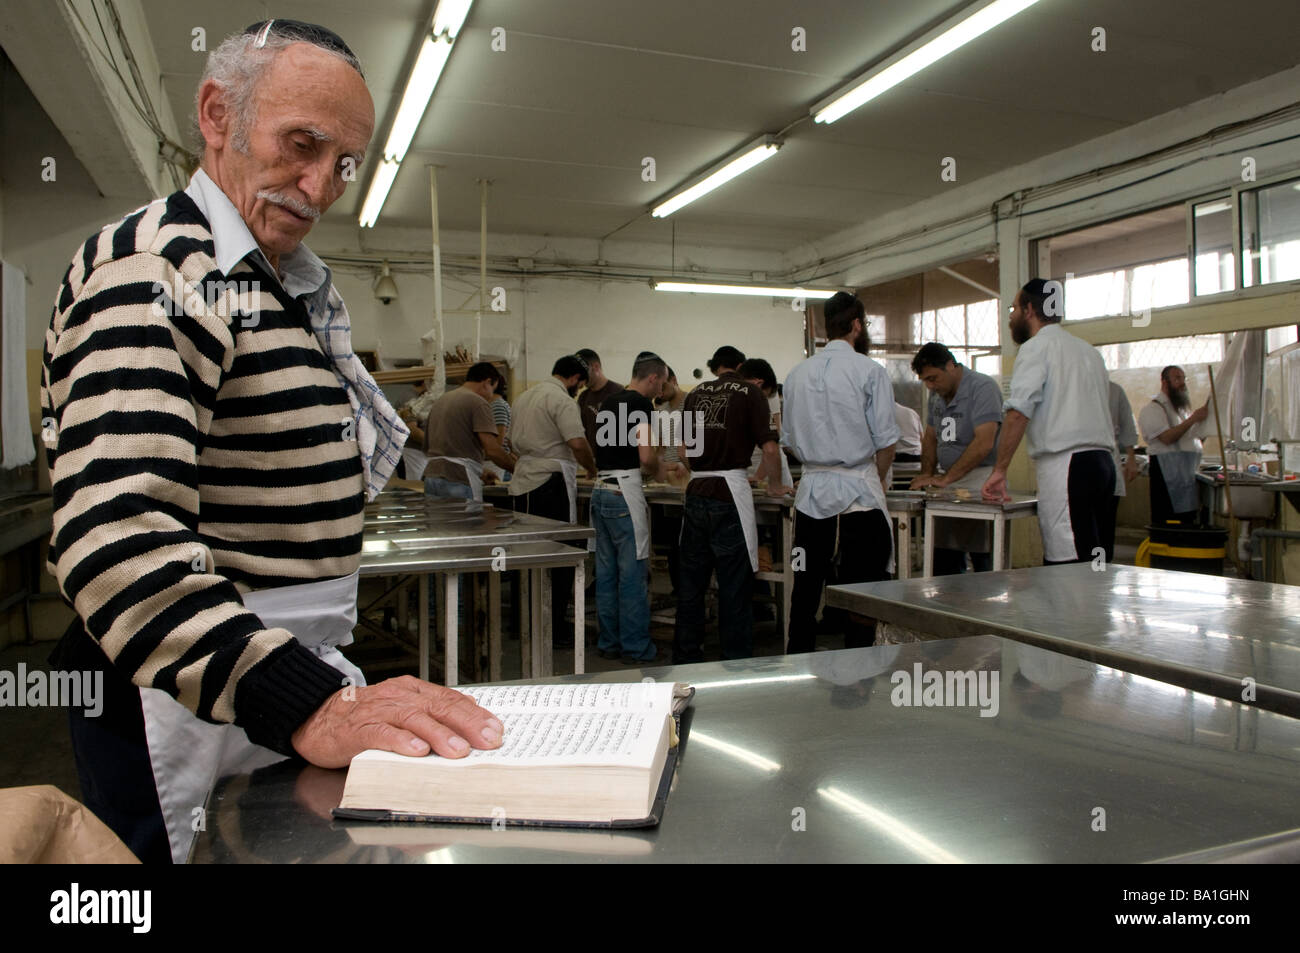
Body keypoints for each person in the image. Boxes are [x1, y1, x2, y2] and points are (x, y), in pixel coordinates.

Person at [40, 20, 502, 864]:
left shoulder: (271, 280)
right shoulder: (158, 272)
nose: (321, 185)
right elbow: (114, 539)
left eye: (344, 163)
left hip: (268, 677)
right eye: (302, 144)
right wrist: (306, 703)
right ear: (217, 115)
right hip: (182, 692)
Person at [782, 292, 899, 653]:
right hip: (859, 497)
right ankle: (859, 673)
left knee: (805, 586)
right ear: (857, 326)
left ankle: (797, 662)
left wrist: (818, 462)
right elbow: (886, 442)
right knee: (862, 590)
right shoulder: (870, 372)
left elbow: (788, 441)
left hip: (812, 497)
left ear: (823, 327)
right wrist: (876, 477)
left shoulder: (796, 375)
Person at [982, 279, 1117, 563]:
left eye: (1014, 308)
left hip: (1068, 467)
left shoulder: (1035, 348)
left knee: (1068, 562)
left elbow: (1018, 413)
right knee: (1097, 560)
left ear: (1029, 310)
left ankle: (1073, 608)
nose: (1010, 316)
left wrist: (1000, 470)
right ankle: (1094, 608)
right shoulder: (1089, 352)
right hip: (1104, 465)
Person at [674, 346, 784, 663]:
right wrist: (775, 485)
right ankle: (734, 661)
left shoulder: (695, 394)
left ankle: (686, 657)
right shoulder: (751, 393)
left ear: (715, 368)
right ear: (740, 366)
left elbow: (682, 451)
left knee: (691, 583)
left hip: (696, 489)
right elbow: (771, 449)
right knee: (733, 583)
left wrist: (702, 462)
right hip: (729, 491)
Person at [509, 355, 598, 643]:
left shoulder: (524, 397)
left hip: (523, 480)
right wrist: (591, 467)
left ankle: (522, 622)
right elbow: (576, 442)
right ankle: (553, 628)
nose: (578, 390)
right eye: (580, 385)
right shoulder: (561, 400)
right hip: (550, 481)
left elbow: (510, 441)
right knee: (558, 555)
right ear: (575, 379)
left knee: (525, 555)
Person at [591, 352, 669, 663]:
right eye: (660, 384)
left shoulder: (609, 401)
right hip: (624, 492)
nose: (660, 392)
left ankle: (609, 643)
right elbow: (646, 456)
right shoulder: (640, 405)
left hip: (600, 491)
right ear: (652, 378)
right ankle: (636, 647)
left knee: (606, 574)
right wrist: (659, 469)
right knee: (633, 575)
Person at [910, 343, 1003, 574]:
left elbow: (984, 442)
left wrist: (946, 478)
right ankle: (949, 602)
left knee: (982, 553)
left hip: (981, 477)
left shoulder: (982, 388)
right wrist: (928, 475)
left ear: (951, 365)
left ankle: (986, 602)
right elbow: (930, 438)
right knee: (946, 551)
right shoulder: (936, 396)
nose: (931, 385)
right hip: (948, 479)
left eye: (934, 378)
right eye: (926, 381)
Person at [422, 362, 516, 501]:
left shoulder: (442, 400)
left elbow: (434, 446)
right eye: (493, 389)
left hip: (432, 477)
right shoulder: (477, 402)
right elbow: (493, 450)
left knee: (439, 522)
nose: (491, 396)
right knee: (464, 522)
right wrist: (518, 470)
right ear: (487, 382)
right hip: (458, 479)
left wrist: (481, 471)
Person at [1137, 366, 1209, 526]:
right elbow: (1167, 438)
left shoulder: (1181, 411)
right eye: (1177, 378)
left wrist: (1205, 427)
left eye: (1184, 378)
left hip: (1185, 472)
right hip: (1166, 472)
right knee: (1167, 521)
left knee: (1186, 521)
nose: (1182, 383)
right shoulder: (1154, 409)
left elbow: (1189, 440)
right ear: (1164, 382)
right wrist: (1193, 420)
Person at [739, 358, 793, 488]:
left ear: (759, 383)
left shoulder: (768, 397)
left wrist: (759, 477)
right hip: (745, 470)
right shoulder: (737, 395)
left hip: (769, 468)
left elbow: (771, 445)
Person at [1107, 380, 1140, 550]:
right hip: (1078, 456)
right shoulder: (1074, 386)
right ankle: (1089, 565)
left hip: (1108, 454)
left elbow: (1127, 424)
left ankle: (1102, 565)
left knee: (1107, 517)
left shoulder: (1114, 390)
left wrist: (1131, 459)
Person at [575, 348, 624, 454]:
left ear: (596, 367)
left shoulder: (618, 392)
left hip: (616, 463)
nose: (581, 377)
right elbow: (581, 433)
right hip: (593, 463)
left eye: (583, 372)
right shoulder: (583, 397)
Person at [483, 370, 513, 484]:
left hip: (494, 463)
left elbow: (498, 441)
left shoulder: (498, 405)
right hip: (490, 461)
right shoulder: (492, 405)